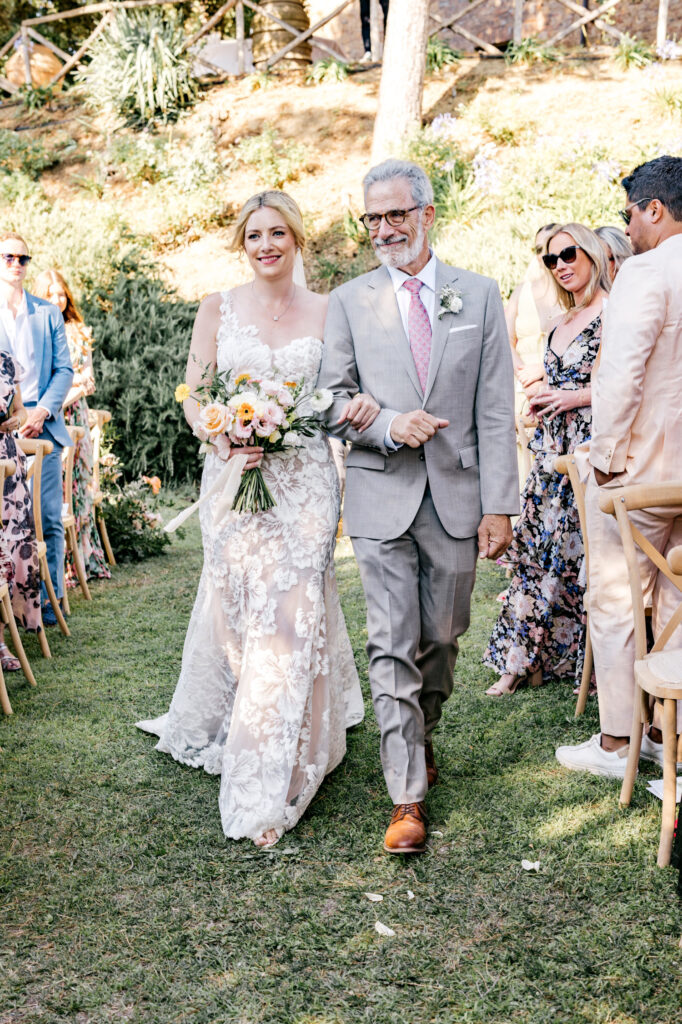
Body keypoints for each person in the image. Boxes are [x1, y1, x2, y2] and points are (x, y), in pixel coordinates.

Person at [137, 190, 380, 848]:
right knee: (244, 609)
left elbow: (343, 394)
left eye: (278, 232)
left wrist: (357, 410)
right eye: (254, 235)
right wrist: (220, 436)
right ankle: (251, 711)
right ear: (241, 244)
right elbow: (195, 392)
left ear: (297, 239)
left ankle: (268, 780)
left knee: (293, 611)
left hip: (304, 483)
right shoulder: (216, 307)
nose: (267, 244)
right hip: (234, 476)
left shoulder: (332, 310)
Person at [317, 158, 518, 855]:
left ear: (428, 214)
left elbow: (495, 409)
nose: (383, 229)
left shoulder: (480, 295)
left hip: (459, 498)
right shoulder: (347, 300)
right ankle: (406, 794)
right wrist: (382, 424)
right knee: (390, 643)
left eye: (396, 214)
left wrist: (501, 506)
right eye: (372, 218)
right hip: (379, 495)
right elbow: (330, 399)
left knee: (443, 637)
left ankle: (423, 732)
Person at [555, 155, 682, 777]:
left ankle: (618, 743)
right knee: (681, 600)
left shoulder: (646, 271)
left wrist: (603, 459)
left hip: (645, 475)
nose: (627, 230)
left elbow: (621, 377)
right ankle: (672, 732)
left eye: (630, 214)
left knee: (617, 599)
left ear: (654, 210)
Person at [484, 223, 610, 696]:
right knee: (535, 555)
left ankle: (589, 666)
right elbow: (553, 380)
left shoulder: (613, 314)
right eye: (551, 260)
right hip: (548, 452)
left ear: (592, 254)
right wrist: (541, 399)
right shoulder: (558, 323)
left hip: (588, 451)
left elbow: (623, 386)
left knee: (582, 557)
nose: (561, 265)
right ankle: (518, 662)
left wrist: (570, 399)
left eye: (569, 254)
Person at [0, 232, 73, 625]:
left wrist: (41, 411)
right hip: (2, 430)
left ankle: (52, 600)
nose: (16, 264)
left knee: (46, 517)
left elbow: (65, 370)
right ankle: (11, 610)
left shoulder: (47, 312)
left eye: (23, 258)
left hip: (42, 426)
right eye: (8, 256)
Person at [33, 269, 110, 584]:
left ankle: (80, 560)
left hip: (74, 416)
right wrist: (68, 383)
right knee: (51, 494)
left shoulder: (79, 331)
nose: (56, 298)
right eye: (50, 293)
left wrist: (72, 385)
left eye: (61, 293)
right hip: (46, 418)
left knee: (77, 488)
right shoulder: (34, 329)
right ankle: (53, 566)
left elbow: (87, 381)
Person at [0, 351, 41, 667]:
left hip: (7, 466)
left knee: (9, 550)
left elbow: (21, 411)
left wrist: (17, 419)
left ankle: (2, 640)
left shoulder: (6, 361)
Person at [506, 223, 563, 411]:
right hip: (523, 390)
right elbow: (505, 340)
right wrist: (525, 378)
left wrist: (544, 370)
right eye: (538, 249)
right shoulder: (521, 292)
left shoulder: (574, 292)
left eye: (549, 246)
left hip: (561, 388)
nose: (543, 254)